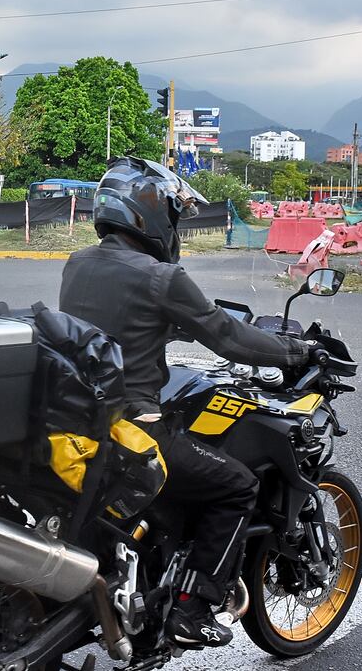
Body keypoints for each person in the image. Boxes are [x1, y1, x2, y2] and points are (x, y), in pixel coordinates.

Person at [59, 156, 309, 648]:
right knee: (236, 485)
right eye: (173, 215)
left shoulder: (79, 262)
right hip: (131, 427)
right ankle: (192, 610)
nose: (175, 227)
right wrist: (292, 352)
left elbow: (112, 326)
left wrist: (165, 325)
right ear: (151, 215)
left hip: (75, 419)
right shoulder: (160, 278)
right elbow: (228, 337)